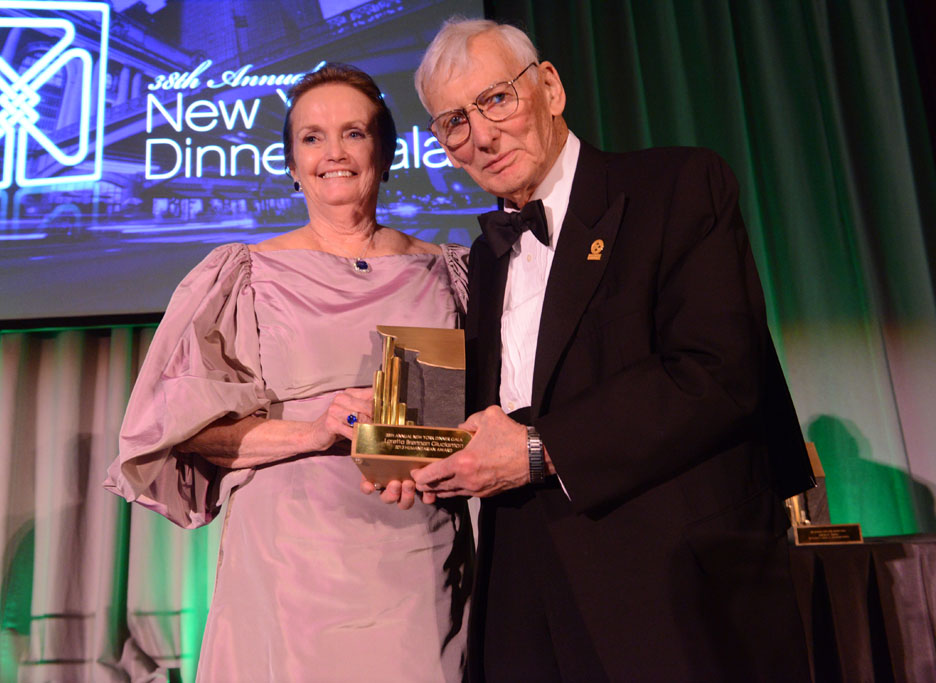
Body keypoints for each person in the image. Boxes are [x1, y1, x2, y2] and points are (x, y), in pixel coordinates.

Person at [409, 18, 815, 682]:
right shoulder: (483, 257)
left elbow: (715, 372)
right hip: (521, 587)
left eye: (496, 100)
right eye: (454, 121)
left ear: (550, 87)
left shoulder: (676, 185)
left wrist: (538, 449)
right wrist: (408, 445)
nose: (481, 135)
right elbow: (499, 408)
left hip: (665, 582)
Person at [104, 63, 471, 682]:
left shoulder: (449, 271)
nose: (335, 153)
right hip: (291, 559)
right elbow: (187, 431)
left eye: (354, 133)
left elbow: (482, 408)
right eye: (312, 137)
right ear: (292, 164)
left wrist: (444, 450)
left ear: (386, 151)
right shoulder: (243, 274)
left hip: (417, 543)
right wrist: (313, 430)